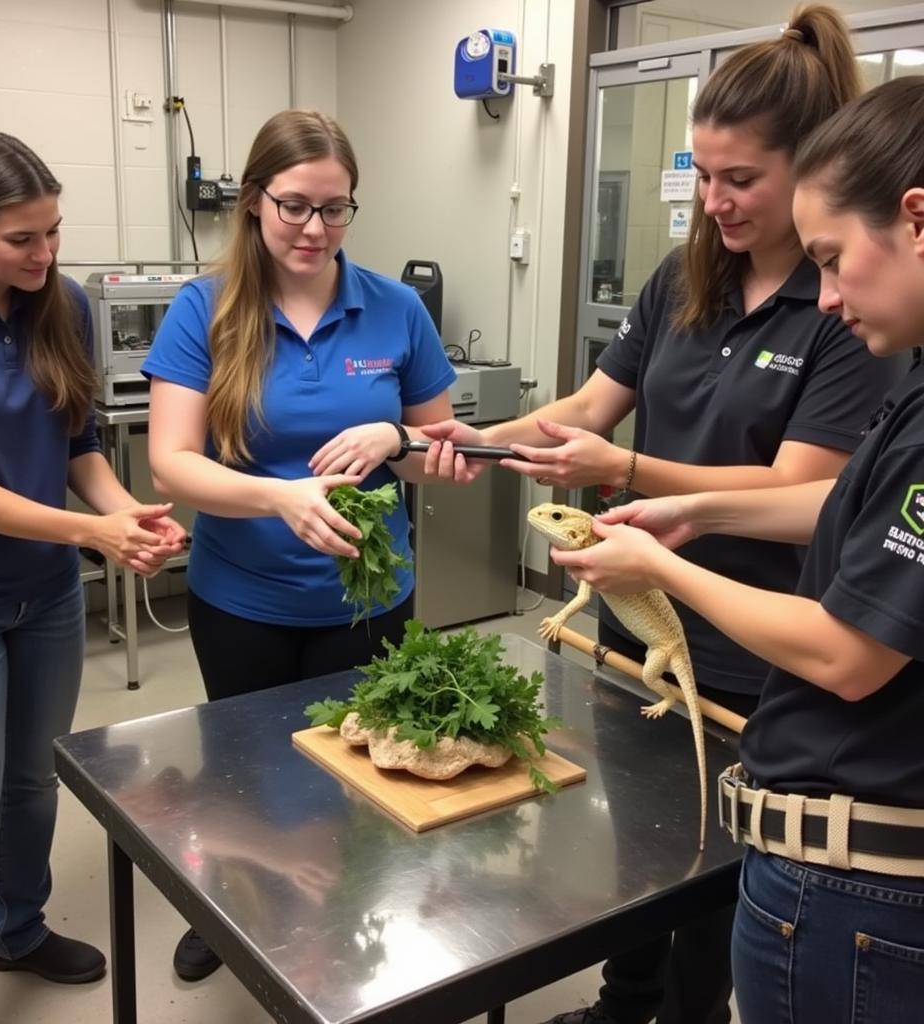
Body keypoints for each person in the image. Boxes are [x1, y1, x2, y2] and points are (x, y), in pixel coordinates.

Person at [422, 8, 909, 1024]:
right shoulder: (682, 278)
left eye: (741, 180)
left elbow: (800, 493)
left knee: (707, 871)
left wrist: (638, 479)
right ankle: (621, 1002)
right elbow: (583, 414)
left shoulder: (853, 318)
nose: (714, 201)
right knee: (631, 843)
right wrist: (470, 441)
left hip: (755, 641)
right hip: (633, 606)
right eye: (700, 175)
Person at [548, 73, 924, 1024]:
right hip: (832, 835)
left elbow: (847, 651)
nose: (829, 296)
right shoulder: (905, 382)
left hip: (853, 859)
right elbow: (839, 502)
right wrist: (702, 513)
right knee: (644, 841)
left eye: (836, 258)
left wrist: (662, 558)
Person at [144, 108, 456, 981]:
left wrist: (396, 438)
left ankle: (348, 901)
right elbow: (172, 464)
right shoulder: (205, 309)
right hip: (241, 597)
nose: (315, 229)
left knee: (362, 764)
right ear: (252, 202)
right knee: (239, 766)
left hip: (367, 600)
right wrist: (278, 496)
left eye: (336, 208)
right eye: (294, 207)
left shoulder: (394, 308)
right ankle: (229, 902)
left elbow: (442, 451)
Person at [0, 132, 186, 1024]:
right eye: (22, 238)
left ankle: (16, 929)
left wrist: (122, 513)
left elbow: (78, 442)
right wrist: (92, 531)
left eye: (54, 231)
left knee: (32, 782)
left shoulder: (60, 301)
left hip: (46, 592)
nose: (46, 254)